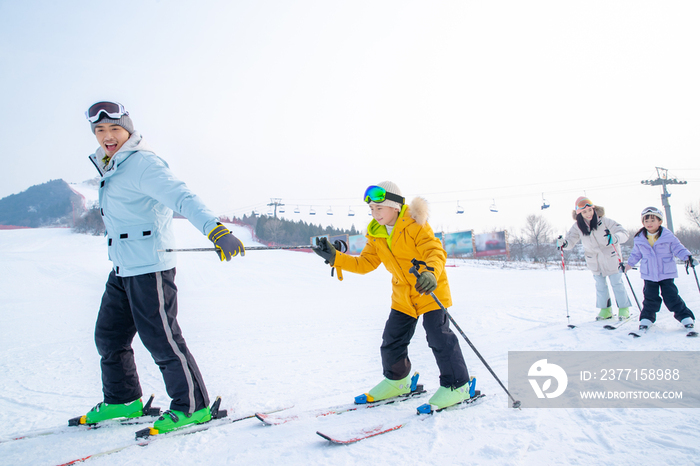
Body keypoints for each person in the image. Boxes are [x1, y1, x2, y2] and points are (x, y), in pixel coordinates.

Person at [79, 101, 244, 434]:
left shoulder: (142, 163)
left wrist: (217, 230)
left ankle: (192, 407)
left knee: (162, 339)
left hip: (150, 267)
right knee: (109, 336)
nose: (107, 137)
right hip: (123, 268)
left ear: (128, 129)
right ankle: (122, 399)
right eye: (100, 131)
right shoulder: (112, 165)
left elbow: (182, 197)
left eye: (114, 129)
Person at [313, 181, 473, 410]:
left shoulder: (416, 225)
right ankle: (398, 381)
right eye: (372, 210)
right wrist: (334, 257)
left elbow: (435, 251)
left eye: (379, 209)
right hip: (403, 296)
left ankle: (458, 385)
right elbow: (365, 263)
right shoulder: (376, 234)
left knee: (438, 337)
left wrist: (430, 273)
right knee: (392, 340)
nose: (375, 214)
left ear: (395, 207)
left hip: (428, 289)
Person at [557, 196, 632, 320]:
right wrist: (563, 244)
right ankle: (606, 310)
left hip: (611, 257)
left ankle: (624, 309)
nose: (588, 214)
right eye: (584, 212)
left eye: (590, 210)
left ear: (594, 209)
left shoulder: (605, 221)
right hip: (594, 260)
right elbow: (570, 241)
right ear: (579, 214)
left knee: (617, 283)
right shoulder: (577, 227)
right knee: (600, 286)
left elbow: (624, 233)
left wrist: (615, 237)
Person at [624, 206, 696, 332]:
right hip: (649, 274)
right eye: (646, 221)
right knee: (650, 297)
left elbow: (678, 248)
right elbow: (636, 254)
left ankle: (685, 317)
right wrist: (628, 265)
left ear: (660, 221)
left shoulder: (668, 236)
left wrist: (688, 258)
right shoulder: (639, 238)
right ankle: (647, 318)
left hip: (666, 273)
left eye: (652, 220)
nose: (649, 223)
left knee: (671, 297)